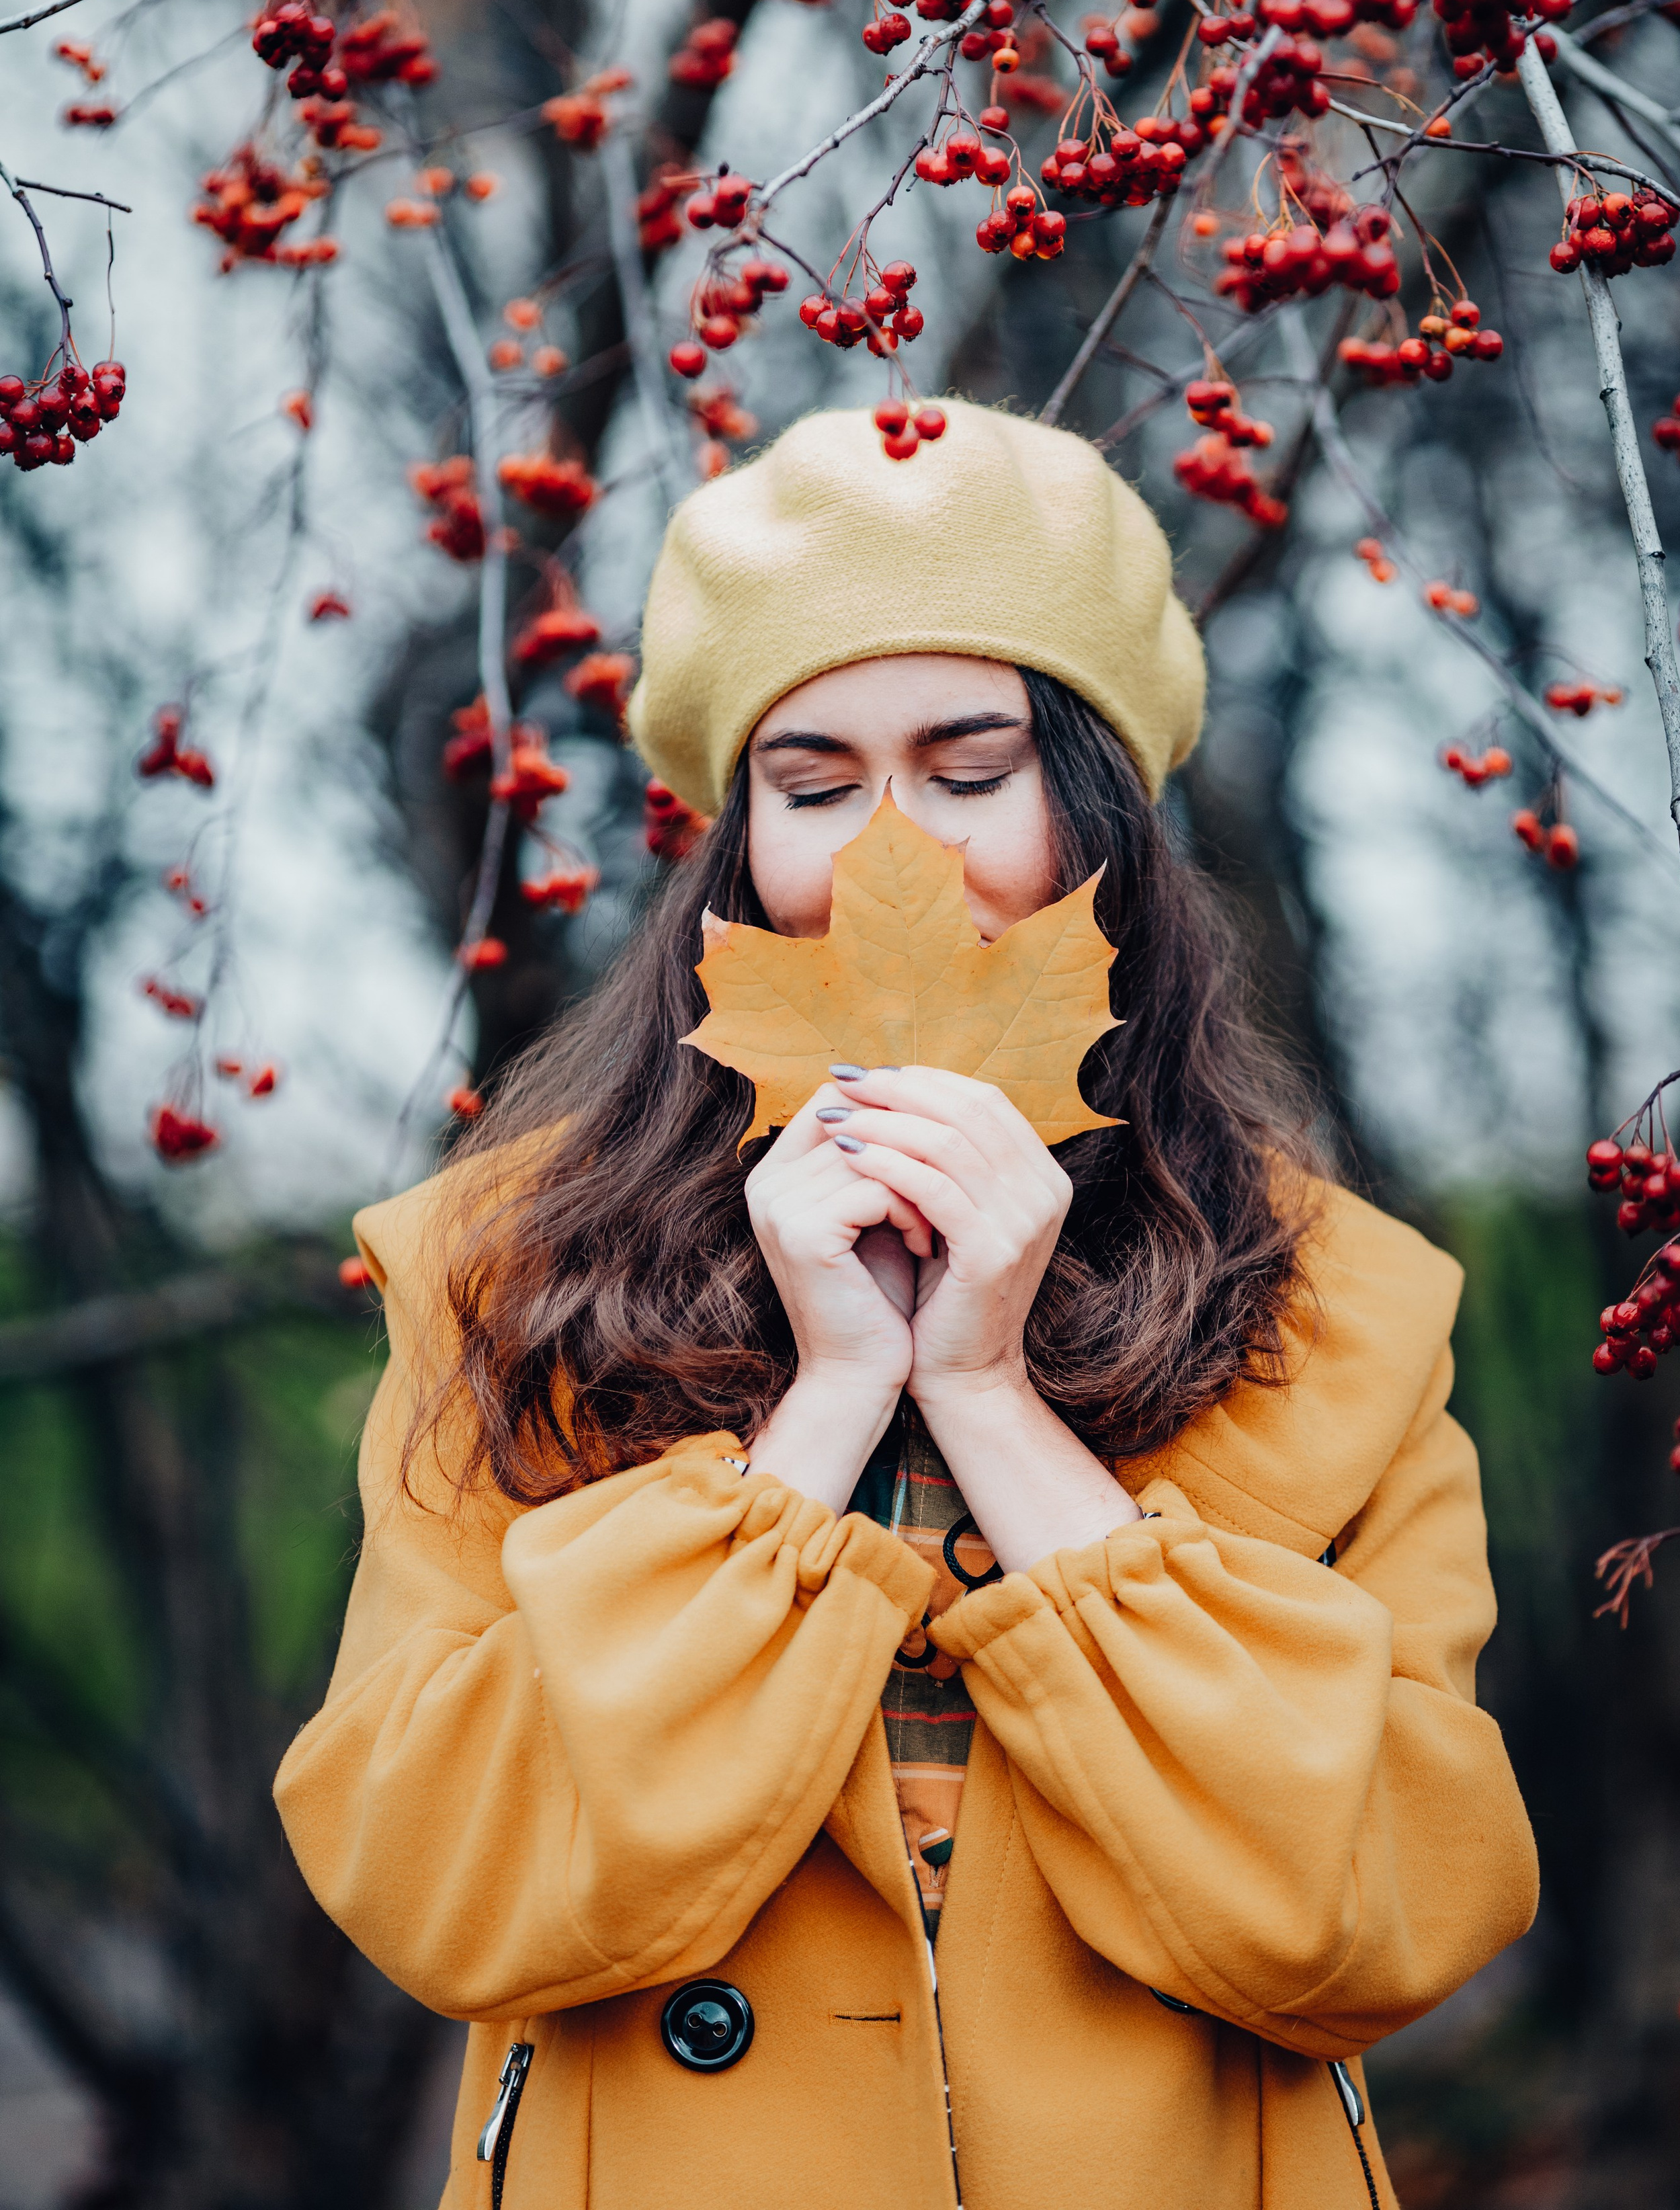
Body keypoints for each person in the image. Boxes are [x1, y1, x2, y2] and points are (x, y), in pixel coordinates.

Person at [276, 401, 1538, 2210]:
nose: (900, 856)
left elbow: (1377, 1912)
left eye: (971, 771)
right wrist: (832, 1405)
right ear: (733, 861)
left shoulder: (1342, 1314)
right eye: (810, 786)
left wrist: (994, 1402)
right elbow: (437, 1878)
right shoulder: (508, 1283)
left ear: (1099, 819)